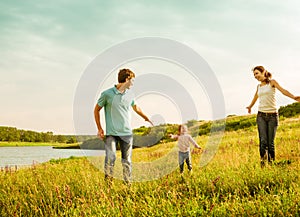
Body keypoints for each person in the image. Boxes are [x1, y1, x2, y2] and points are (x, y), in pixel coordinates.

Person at [94, 68, 153, 183]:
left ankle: (128, 186)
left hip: (127, 134)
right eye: (133, 80)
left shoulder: (130, 94)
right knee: (111, 158)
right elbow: (96, 110)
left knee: (127, 161)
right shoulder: (107, 94)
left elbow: (136, 107)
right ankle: (108, 186)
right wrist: (99, 128)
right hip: (111, 134)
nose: (133, 83)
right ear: (127, 79)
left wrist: (146, 117)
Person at [246, 65, 300, 166]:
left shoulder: (272, 82)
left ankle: (271, 164)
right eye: (254, 75)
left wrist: (294, 97)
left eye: (257, 73)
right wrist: (250, 106)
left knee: (270, 143)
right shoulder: (258, 87)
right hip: (261, 116)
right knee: (263, 141)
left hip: (273, 116)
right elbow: (255, 97)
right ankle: (263, 164)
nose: (255, 76)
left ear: (263, 72)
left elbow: (283, 91)